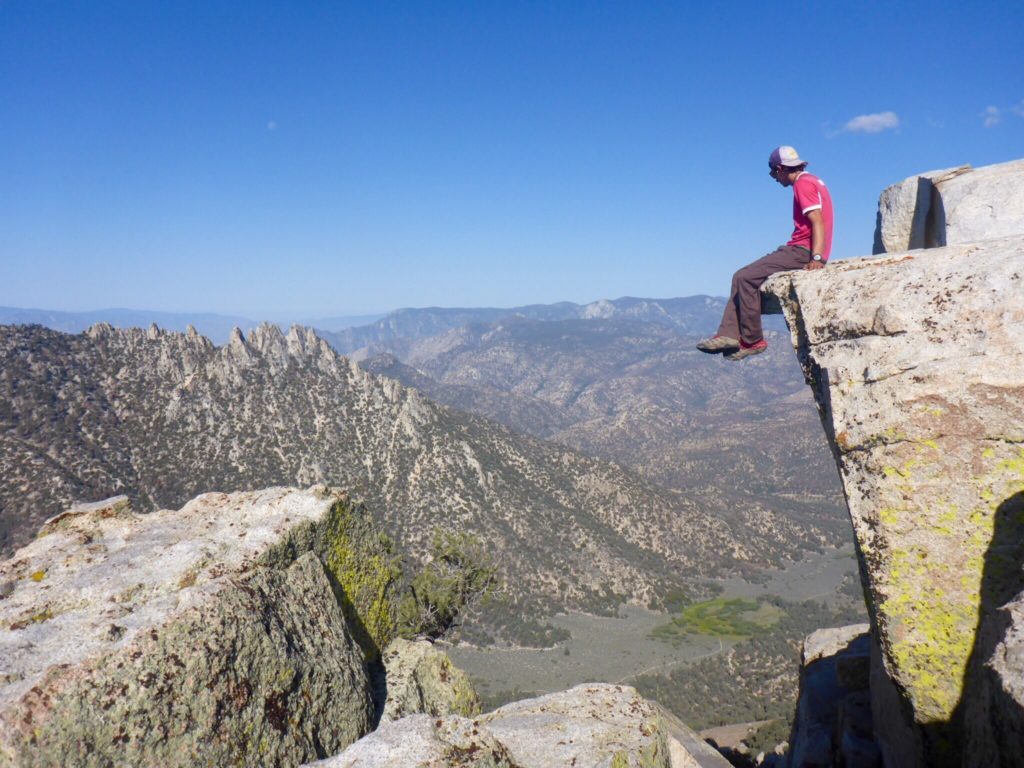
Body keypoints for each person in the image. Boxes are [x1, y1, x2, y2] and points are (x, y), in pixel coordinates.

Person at [697, 145, 834, 361]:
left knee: (744, 277)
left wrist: (817, 257)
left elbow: (816, 220)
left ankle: (752, 341)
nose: (774, 178)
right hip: (800, 248)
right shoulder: (813, 181)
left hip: (801, 250)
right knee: (741, 278)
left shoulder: (803, 184)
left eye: (772, 173)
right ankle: (728, 335)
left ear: (780, 169)